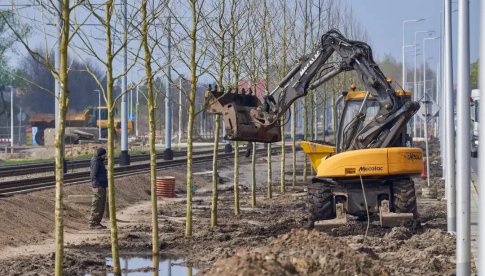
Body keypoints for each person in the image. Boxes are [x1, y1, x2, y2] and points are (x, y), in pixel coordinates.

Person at [89, 147, 108, 229]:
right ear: (101, 155)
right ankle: (93, 223)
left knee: (101, 205)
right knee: (96, 204)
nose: (105, 156)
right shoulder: (96, 162)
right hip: (98, 186)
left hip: (102, 185)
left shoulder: (100, 161)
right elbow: (93, 174)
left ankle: (97, 222)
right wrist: (97, 185)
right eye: (104, 154)